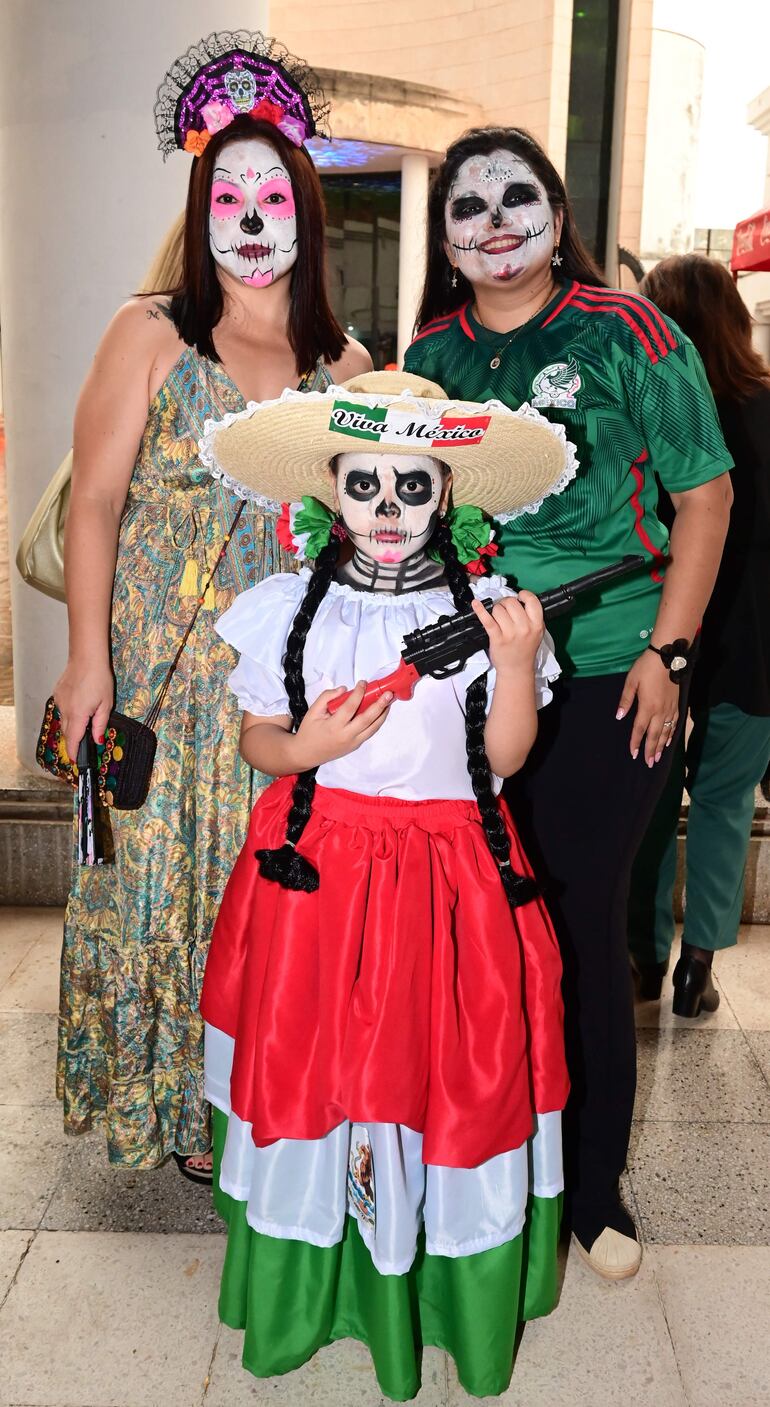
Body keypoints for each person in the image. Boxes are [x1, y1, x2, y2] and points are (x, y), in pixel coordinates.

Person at [198, 371, 572, 1400]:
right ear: (331, 488)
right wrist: (303, 746)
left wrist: (516, 663)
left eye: (414, 485)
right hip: (317, 879)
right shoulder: (289, 608)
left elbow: (503, 759)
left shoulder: (488, 611)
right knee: (317, 1076)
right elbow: (258, 738)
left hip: (449, 885)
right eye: (365, 485)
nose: (389, 508)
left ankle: (433, 1287)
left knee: (440, 1077)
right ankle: (316, 1287)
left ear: (446, 492)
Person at [404, 126, 733, 1278]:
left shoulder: (626, 330)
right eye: (466, 205)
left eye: (516, 196)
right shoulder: (428, 354)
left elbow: (704, 497)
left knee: (578, 922)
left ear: (556, 214)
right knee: (480, 928)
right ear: (444, 237)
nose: (493, 220)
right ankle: (489, 1168)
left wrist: (668, 657)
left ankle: (591, 1192)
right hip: (474, 681)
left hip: (611, 673)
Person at [53, 32, 371, 1181]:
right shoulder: (149, 332)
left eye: (271, 195)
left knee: (263, 886)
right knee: (153, 878)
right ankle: (171, 1106)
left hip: (280, 688)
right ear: (201, 210)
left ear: (305, 214)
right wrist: (87, 662)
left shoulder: (345, 364)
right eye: (227, 195)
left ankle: (249, 1100)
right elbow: (94, 503)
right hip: (154, 670)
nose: (248, 216)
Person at [628, 254, 770, 1015]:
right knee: (724, 801)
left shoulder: (655, 407)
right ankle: (699, 965)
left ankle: (645, 957)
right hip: (756, 643)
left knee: (651, 800)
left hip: (662, 632)